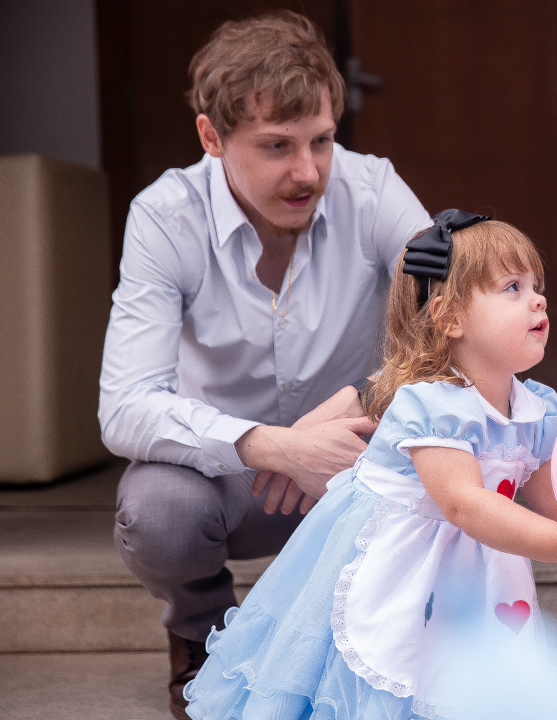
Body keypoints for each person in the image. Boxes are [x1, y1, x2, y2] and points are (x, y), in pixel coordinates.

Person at [182, 212, 557, 720]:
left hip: (478, 568)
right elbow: (463, 504)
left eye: (536, 286)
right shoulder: (432, 405)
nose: (537, 299)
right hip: (404, 562)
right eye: (512, 287)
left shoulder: (537, 407)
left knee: (466, 673)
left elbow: (544, 492)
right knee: (395, 665)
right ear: (450, 318)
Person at [96, 12, 430, 718]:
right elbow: (125, 405)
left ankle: (372, 642)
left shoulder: (372, 189)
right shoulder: (164, 217)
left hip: (353, 472)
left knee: (443, 447)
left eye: (321, 141)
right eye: (276, 146)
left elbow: (463, 321)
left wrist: (368, 400)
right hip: (233, 488)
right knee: (158, 510)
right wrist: (272, 445)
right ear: (211, 138)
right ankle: (203, 634)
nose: (307, 172)